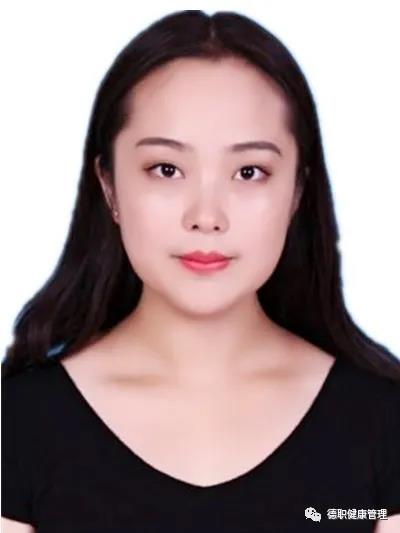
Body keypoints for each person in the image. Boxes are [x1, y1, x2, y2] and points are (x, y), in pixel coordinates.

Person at [2, 9, 399, 533]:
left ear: (297, 191)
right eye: (166, 169)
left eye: (250, 171)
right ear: (109, 186)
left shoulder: (382, 422)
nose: (207, 216)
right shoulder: (17, 425)